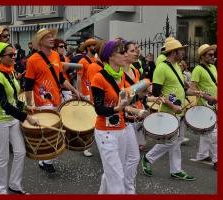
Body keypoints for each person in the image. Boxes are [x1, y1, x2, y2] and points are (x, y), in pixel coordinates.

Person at [141, 39, 203, 180]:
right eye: (181, 50)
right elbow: (157, 94)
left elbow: (181, 89)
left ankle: (176, 170)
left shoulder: (176, 66)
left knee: (178, 140)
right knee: (170, 141)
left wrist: (195, 93)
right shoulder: (161, 68)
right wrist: (172, 106)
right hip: (169, 112)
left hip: (179, 110)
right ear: (174, 52)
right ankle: (148, 158)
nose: (183, 52)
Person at [25, 28, 80, 173]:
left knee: (52, 130)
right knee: (50, 130)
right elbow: (28, 85)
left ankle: (44, 160)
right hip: (42, 100)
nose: (51, 39)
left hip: (57, 97)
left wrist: (74, 90)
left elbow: (60, 78)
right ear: (41, 42)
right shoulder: (32, 60)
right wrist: (30, 105)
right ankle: (46, 161)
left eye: (51, 37)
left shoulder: (56, 55)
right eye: (48, 37)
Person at [0, 42, 39, 194]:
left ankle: (14, 184)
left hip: (12, 119)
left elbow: (13, 98)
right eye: (10, 55)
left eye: (14, 54)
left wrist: (24, 107)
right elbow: (5, 105)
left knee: (20, 152)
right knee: (3, 157)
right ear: (0, 58)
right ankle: (0, 190)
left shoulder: (9, 72)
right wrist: (27, 117)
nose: (13, 57)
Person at [91, 40, 135, 194]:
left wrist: (128, 100)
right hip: (105, 132)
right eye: (122, 52)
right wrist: (117, 108)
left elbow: (121, 96)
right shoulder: (99, 78)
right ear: (111, 56)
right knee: (117, 176)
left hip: (121, 129)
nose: (125, 55)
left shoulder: (122, 75)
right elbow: (98, 108)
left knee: (112, 172)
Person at [190, 44, 217, 171]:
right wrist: (206, 97)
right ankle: (218, 159)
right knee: (214, 133)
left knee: (207, 132)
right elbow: (193, 88)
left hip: (214, 104)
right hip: (206, 105)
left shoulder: (212, 67)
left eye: (213, 54)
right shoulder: (198, 69)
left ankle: (202, 155)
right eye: (210, 55)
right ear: (202, 56)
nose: (213, 56)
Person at [77, 38, 98, 157]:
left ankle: (95, 143)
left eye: (95, 45)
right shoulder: (82, 61)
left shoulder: (96, 60)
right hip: (86, 93)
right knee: (87, 121)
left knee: (95, 120)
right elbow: (79, 78)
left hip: (95, 94)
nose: (94, 46)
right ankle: (85, 145)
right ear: (87, 47)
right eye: (92, 45)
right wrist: (80, 93)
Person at [53, 38, 74, 102]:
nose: (63, 48)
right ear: (55, 48)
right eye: (61, 46)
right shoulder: (52, 59)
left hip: (66, 89)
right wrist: (61, 71)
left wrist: (74, 73)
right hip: (55, 89)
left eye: (64, 46)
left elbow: (68, 76)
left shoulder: (66, 59)